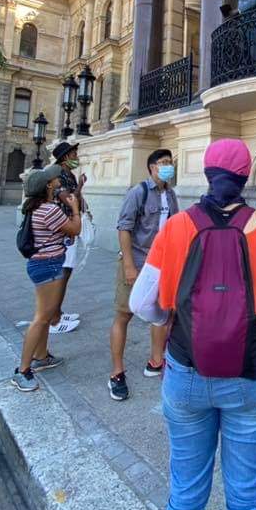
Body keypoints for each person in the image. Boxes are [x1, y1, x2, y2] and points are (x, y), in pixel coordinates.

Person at [130, 138, 256, 510]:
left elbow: (142, 303)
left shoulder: (178, 226)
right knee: (247, 500)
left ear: (206, 173)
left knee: (185, 496)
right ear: (246, 177)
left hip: (187, 371)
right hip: (251, 374)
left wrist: (175, 316)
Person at [108, 149, 178, 401]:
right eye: (163, 162)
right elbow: (124, 228)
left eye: (170, 162)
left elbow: (174, 227)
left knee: (162, 314)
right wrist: (129, 266)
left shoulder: (171, 194)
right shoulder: (138, 192)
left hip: (162, 265)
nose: (168, 166)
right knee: (124, 314)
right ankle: (117, 372)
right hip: (137, 262)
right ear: (152, 167)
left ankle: (156, 361)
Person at [12, 165, 81, 392]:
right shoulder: (49, 209)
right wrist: (75, 208)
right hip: (48, 264)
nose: (57, 182)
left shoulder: (36, 208)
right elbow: (75, 229)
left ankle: (41, 357)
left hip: (43, 263)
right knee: (42, 317)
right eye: (53, 180)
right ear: (48, 186)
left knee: (46, 314)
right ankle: (22, 370)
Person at [49, 140, 86, 334]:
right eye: (73, 154)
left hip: (71, 225)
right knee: (62, 272)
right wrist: (79, 187)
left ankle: (58, 311)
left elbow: (76, 198)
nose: (76, 157)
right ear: (65, 158)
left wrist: (79, 188)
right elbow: (70, 199)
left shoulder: (69, 174)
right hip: (65, 228)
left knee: (67, 271)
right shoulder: (58, 176)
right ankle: (53, 320)